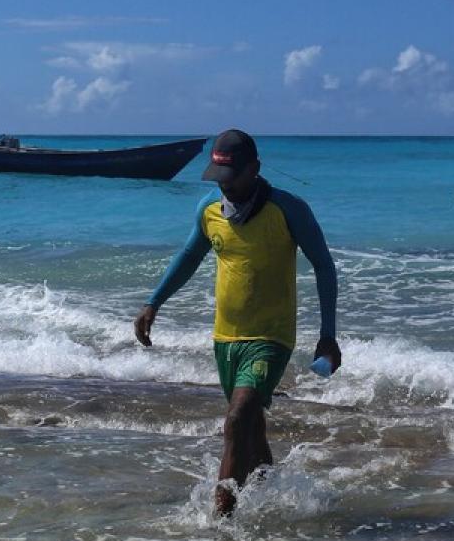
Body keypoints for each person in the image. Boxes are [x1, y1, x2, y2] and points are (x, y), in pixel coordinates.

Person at [133, 129, 340, 516]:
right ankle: (274, 500)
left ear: (255, 169)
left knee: (237, 417)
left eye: (232, 177)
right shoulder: (209, 210)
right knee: (250, 429)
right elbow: (189, 257)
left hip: (271, 337)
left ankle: (221, 524)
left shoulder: (288, 209)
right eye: (219, 178)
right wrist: (153, 303)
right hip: (225, 338)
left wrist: (328, 335)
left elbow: (324, 267)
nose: (224, 187)